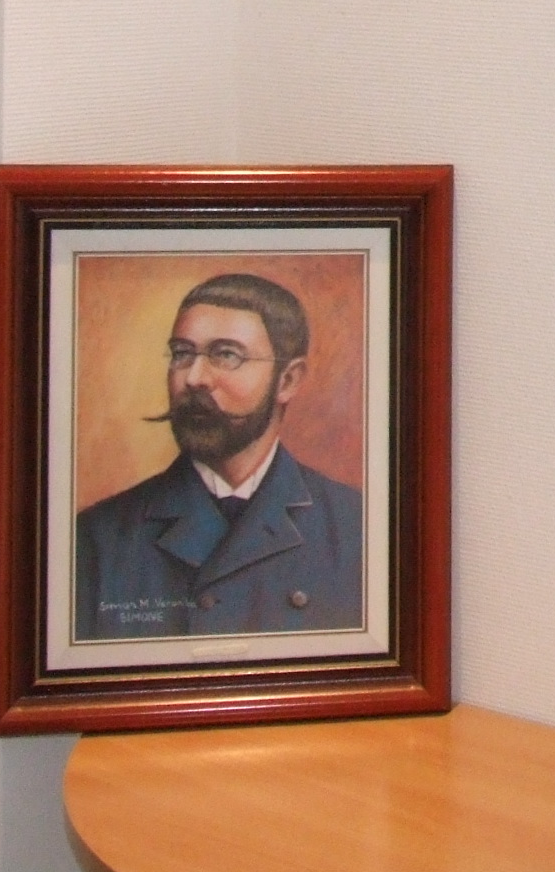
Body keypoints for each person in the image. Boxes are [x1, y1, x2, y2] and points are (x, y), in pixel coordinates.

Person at [75, 272, 363, 640]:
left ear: (287, 380)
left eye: (226, 355)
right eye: (182, 354)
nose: (194, 378)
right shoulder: (97, 539)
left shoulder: (356, 527)